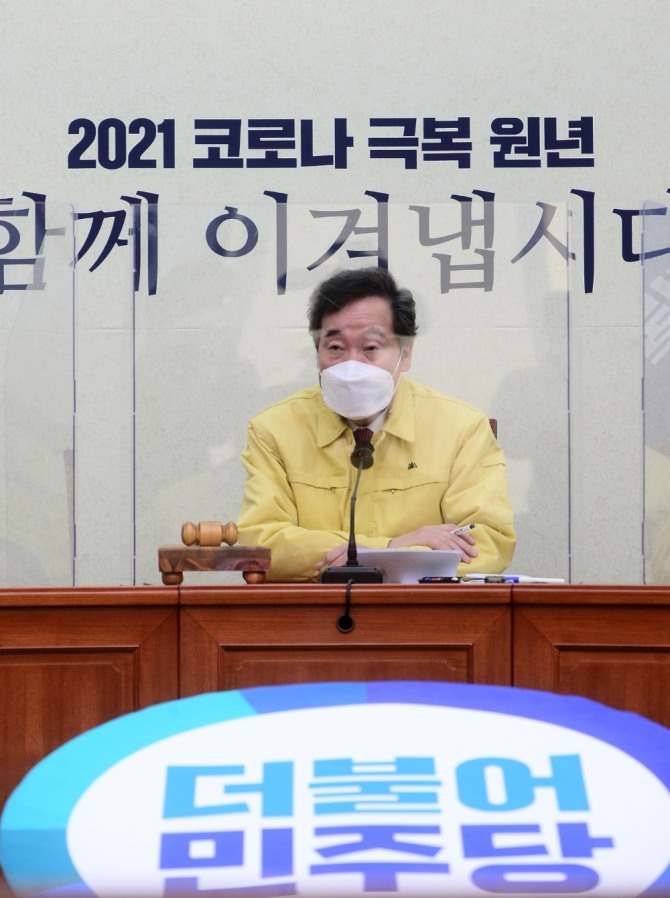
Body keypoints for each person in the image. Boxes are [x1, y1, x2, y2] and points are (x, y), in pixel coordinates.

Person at [237, 267, 516, 582]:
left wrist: (380, 560)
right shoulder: (273, 430)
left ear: (405, 354)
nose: (351, 365)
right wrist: (388, 548)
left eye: (370, 348)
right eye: (335, 348)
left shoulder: (462, 428)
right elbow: (259, 544)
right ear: (317, 354)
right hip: (312, 609)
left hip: (420, 609)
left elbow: (487, 542)